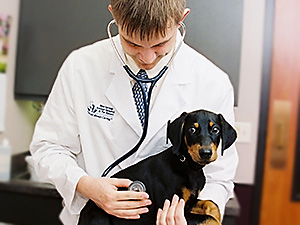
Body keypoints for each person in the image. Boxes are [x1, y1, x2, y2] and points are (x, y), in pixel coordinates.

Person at [30, 0, 238, 224]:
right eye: (132, 43)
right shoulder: (80, 67)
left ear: (181, 20)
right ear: (114, 16)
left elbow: (218, 176)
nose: (147, 58)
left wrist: (193, 214)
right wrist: (85, 185)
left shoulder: (212, 82)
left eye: (161, 44)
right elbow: (48, 147)